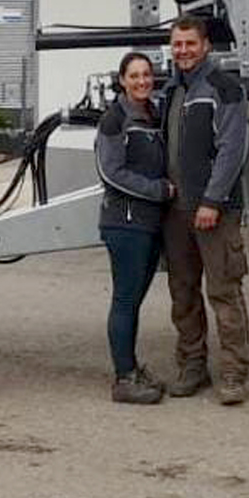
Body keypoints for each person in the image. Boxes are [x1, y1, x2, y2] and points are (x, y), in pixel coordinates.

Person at [159, 16, 249, 405]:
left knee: (224, 291)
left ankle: (233, 372)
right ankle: (193, 365)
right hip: (175, 212)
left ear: (206, 46)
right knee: (182, 293)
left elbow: (232, 150)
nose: (183, 51)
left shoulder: (224, 88)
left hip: (214, 211)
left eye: (190, 44)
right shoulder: (171, 90)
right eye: (177, 44)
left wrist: (212, 201)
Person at [94, 51, 174, 404]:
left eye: (146, 75)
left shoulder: (151, 113)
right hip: (125, 224)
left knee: (134, 299)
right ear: (122, 80)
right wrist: (158, 190)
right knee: (125, 299)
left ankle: (131, 366)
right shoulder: (114, 121)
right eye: (134, 76)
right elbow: (112, 172)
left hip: (148, 223)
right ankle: (124, 378)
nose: (142, 81)